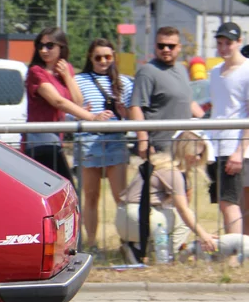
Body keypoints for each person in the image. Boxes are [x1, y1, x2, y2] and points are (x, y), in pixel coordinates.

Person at [23, 28, 113, 181]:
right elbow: (57, 101)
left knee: (64, 192)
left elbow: (78, 101)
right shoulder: (36, 72)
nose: (44, 50)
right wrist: (92, 117)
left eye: (50, 46)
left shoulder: (66, 69)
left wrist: (67, 77)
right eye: (40, 45)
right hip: (39, 142)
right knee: (67, 190)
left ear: (61, 47)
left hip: (55, 142)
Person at [115, 131, 217, 263]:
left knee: (168, 215)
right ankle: (166, 256)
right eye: (196, 154)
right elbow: (183, 210)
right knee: (183, 218)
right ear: (185, 152)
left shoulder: (158, 163)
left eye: (201, 155)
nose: (198, 158)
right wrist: (204, 236)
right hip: (139, 219)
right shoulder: (173, 172)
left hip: (122, 218)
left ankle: (137, 248)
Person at [75, 38, 134, 251]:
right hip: (89, 140)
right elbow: (68, 113)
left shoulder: (125, 83)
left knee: (121, 197)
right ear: (90, 58)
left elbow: (131, 116)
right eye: (98, 57)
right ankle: (91, 243)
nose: (103, 61)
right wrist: (88, 114)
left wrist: (122, 112)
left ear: (114, 58)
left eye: (107, 57)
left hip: (115, 139)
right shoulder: (78, 80)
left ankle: (126, 241)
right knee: (91, 195)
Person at [129, 27, 204, 156]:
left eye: (171, 46)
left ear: (179, 47)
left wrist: (207, 121)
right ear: (155, 46)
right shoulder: (147, 71)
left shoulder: (182, 69)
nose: (166, 50)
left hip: (183, 147)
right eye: (161, 46)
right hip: (159, 148)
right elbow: (136, 107)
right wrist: (143, 140)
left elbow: (188, 101)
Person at [207, 22, 249, 235]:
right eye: (220, 43)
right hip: (216, 146)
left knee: (229, 202)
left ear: (239, 42)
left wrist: (240, 151)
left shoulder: (247, 70)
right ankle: (241, 248)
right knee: (228, 202)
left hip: (236, 146)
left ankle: (234, 255)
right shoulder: (214, 72)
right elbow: (216, 108)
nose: (223, 47)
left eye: (228, 43)